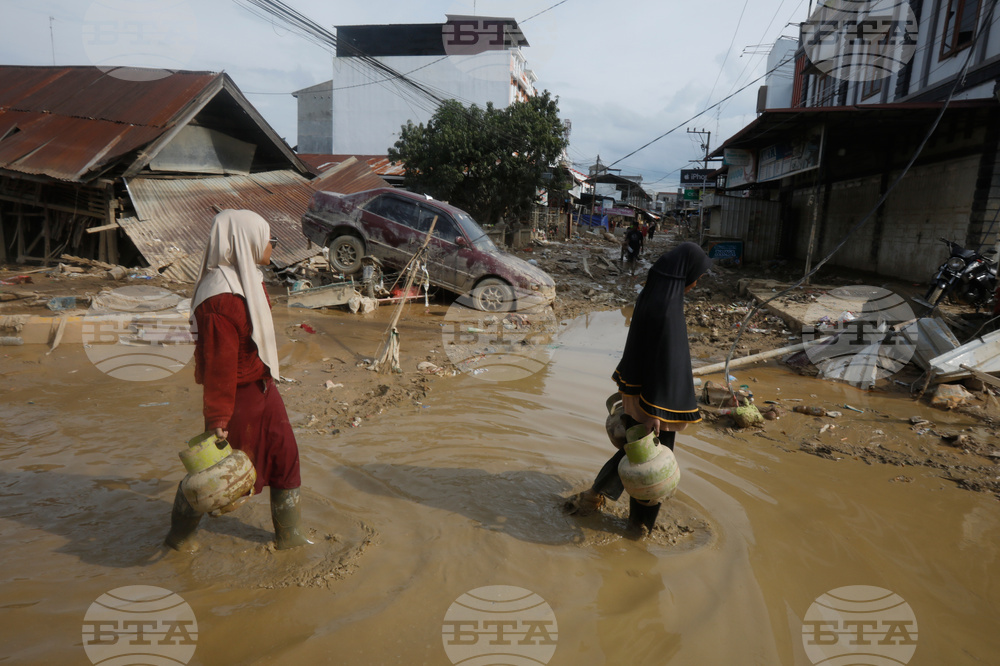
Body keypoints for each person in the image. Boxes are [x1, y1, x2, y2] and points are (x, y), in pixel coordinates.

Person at [165, 210, 311, 552]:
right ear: (245, 242)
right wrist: (218, 418)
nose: (272, 246)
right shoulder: (220, 297)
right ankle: (178, 539)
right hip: (237, 397)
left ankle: (290, 538)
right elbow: (219, 366)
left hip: (263, 387)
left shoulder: (248, 279)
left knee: (285, 457)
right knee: (220, 478)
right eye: (268, 239)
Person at [565, 242, 712, 533]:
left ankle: (594, 498)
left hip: (642, 394)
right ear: (685, 274)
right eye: (697, 276)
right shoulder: (667, 308)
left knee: (636, 453)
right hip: (657, 404)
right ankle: (638, 527)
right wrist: (655, 414)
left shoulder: (654, 296)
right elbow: (662, 361)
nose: (696, 283)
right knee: (653, 464)